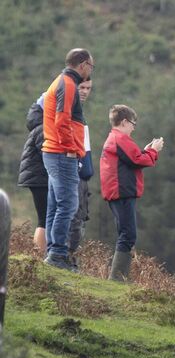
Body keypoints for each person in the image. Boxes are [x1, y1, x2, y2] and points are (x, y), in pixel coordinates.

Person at [41, 48, 94, 270]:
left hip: (54, 152)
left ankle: (53, 251)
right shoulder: (68, 84)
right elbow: (62, 120)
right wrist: (71, 148)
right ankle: (57, 254)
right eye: (91, 66)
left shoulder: (61, 81)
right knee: (68, 205)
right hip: (62, 154)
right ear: (83, 65)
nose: (91, 70)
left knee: (55, 205)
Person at [99, 105, 163, 281]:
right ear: (125, 122)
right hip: (122, 192)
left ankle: (119, 277)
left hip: (117, 192)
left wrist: (146, 151)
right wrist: (154, 150)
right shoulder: (120, 139)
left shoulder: (115, 138)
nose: (134, 128)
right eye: (133, 124)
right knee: (128, 235)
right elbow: (138, 160)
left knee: (126, 233)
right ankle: (117, 278)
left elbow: (132, 158)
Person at [68, 78, 95, 268]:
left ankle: (72, 261)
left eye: (88, 88)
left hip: (83, 176)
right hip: (73, 174)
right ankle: (67, 261)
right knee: (73, 219)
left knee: (79, 220)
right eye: (82, 87)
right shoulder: (68, 112)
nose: (85, 91)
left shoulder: (80, 114)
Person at [17, 93, 48, 254]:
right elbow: (47, 154)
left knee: (44, 218)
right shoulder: (43, 127)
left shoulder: (40, 125)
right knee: (44, 219)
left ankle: (40, 256)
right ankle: (39, 256)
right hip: (40, 178)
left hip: (37, 177)